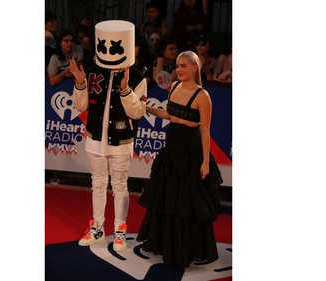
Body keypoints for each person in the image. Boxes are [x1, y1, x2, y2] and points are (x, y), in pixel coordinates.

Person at [136, 50, 223, 269]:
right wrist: (144, 107)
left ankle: (189, 249)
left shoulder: (203, 96)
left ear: (195, 67)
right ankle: (167, 245)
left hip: (191, 154)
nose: (179, 69)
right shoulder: (173, 87)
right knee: (167, 199)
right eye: (177, 65)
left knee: (187, 204)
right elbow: (169, 115)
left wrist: (205, 162)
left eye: (184, 65)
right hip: (171, 148)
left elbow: (205, 131)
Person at [69, 20, 147, 252]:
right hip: (94, 139)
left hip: (121, 141)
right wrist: (80, 83)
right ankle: (98, 228)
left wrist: (125, 89)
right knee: (98, 185)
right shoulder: (92, 72)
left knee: (120, 186)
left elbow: (138, 112)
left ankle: (120, 230)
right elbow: (81, 106)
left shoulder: (137, 76)